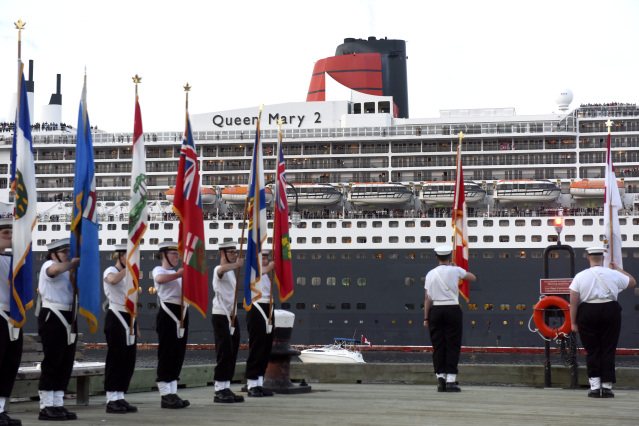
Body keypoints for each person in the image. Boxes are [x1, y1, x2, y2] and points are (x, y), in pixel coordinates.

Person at [569, 247, 636, 398]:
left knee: (592, 350)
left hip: (587, 312)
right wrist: (618, 268)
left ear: (588, 258)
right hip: (610, 310)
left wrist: (573, 323)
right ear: (603, 258)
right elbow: (632, 281)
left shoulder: (580, 276)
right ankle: (607, 387)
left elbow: (573, 303)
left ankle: (594, 387)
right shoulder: (613, 274)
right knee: (608, 348)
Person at [37, 238, 81, 421]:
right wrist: (73, 263)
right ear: (53, 254)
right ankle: (46, 405)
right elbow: (54, 270)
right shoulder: (50, 264)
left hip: (70, 315)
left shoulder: (69, 268)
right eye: (64, 251)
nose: (68, 255)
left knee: (65, 362)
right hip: (53, 314)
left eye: (69, 251)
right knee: (53, 361)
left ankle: (57, 403)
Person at [423, 245, 476, 393]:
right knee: (452, 344)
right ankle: (451, 381)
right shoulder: (455, 270)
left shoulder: (430, 274)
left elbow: (427, 299)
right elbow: (472, 278)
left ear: (436, 257)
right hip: (452, 309)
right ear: (449, 257)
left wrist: (426, 318)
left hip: (436, 310)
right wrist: (456, 267)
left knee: (438, 345)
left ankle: (440, 380)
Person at [153, 241, 189, 409]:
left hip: (181, 312)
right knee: (167, 352)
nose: (177, 257)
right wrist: (179, 275)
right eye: (174, 254)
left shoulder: (176, 272)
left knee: (178, 353)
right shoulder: (159, 270)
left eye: (177, 254)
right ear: (164, 255)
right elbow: (160, 279)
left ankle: (173, 392)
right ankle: (165, 393)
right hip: (168, 313)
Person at [102, 244, 137, 414]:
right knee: (116, 358)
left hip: (129, 317)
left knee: (128, 360)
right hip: (116, 315)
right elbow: (112, 280)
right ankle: (111, 398)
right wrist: (129, 268)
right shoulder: (110, 270)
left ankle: (120, 395)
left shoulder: (130, 273)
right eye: (129, 255)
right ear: (120, 256)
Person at [211, 241, 244, 403]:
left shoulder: (232, 272)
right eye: (231, 252)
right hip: (220, 314)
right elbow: (221, 270)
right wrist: (236, 265)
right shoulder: (219, 269)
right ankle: (219, 388)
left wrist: (235, 266)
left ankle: (226, 385)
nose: (234, 254)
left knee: (232, 351)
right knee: (224, 351)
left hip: (232, 316)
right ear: (222, 253)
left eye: (235, 252)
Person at [0, 218, 22, 426]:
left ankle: (1, 409)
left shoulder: (14, 260)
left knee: (9, 365)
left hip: (13, 316)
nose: (11, 237)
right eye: (5, 233)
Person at [244, 249, 275, 397]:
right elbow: (256, 275)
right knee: (257, 347)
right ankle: (251, 383)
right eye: (262, 258)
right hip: (257, 309)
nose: (265, 261)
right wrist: (270, 267)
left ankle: (259, 383)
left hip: (268, 308)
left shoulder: (266, 276)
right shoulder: (253, 272)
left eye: (266, 258)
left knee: (266, 347)